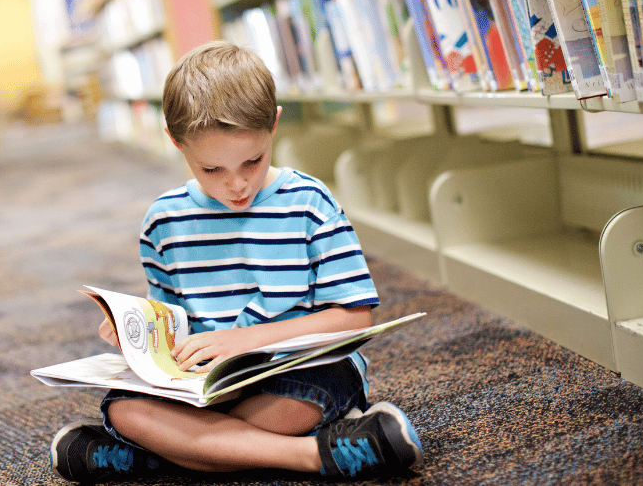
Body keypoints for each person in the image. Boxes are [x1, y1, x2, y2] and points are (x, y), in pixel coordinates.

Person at [50, 41, 422, 483]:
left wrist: (244, 340)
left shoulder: (308, 203)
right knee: (128, 410)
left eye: (253, 161)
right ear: (175, 142)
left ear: (274, 126)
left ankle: (162, 454)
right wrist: (139, 331)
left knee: (291, 410)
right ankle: (316, 454)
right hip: (207, 384)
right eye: (211, 170)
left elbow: (355, 316)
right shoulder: (164, 221)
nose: (237, 185)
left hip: (300, 369)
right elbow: (174, 322)